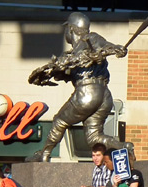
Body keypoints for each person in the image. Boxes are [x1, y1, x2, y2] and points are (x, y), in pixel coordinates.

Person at [27, 12, 132, 162]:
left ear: (70, 29)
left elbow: (105, 46)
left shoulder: (90, 38)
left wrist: (117, 49)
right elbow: (66, 72)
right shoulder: (71, 54)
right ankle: (123, 146)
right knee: (94, 138)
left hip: (87, 93)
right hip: (104, 96)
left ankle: (44, 155)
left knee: (59, 121)